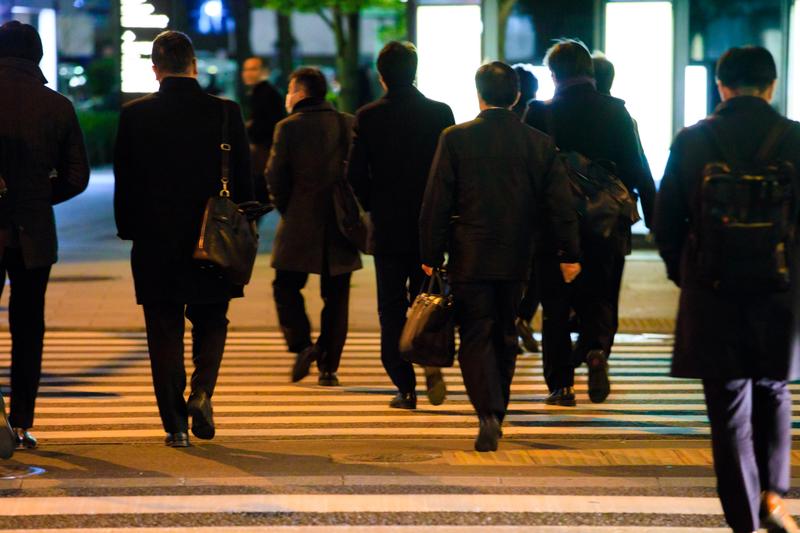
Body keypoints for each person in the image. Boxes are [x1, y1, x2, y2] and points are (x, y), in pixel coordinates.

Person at [656, 46, 800, 533]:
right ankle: (774, 495)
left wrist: (689, 275)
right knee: (774, 389)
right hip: (779, 293)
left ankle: (743, 519)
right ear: (771, 86)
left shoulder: (693, 140)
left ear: (721, 87)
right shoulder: (795, 139)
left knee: (728, 405)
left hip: (713, 292)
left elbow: (665, 221)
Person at [420, 62, 580, 452]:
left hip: (469, 252)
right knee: (505, 331)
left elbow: (437, 198)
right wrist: (569, 252)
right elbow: (560, 203)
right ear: (517, 96)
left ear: (479, 94)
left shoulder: (455, 139)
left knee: (475, 332)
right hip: (517, 254)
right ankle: (499, 409)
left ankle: (486, 413)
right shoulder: (537, 143)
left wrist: (430, 250)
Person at [114, 31, 253, 448]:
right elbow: (246, 185)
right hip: (214, 240)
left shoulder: (135, 115)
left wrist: (129, 229)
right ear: (194, 65)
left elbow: (126, 182)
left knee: (163, 329)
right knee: (212, 320)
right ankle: (203, 392)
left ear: (155, 69)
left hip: (155, 241)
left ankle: (174, 424)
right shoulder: (227, 113)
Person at [525, 39, 656, 406]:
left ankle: (561, 385)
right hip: (606, 224)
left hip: (554, 226)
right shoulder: (616, 113)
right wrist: (656, 221)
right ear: (590, 73)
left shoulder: (539, 113)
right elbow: (639, 171)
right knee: (601, 295)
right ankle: (597, 351)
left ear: (553, 75)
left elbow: (523, 174)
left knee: (554, 304)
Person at [346, 41, 455, 410]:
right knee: (428, 299)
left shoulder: (368, 116)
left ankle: (404, 386)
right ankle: (427, 357)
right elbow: (450, 174)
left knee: (391, 308)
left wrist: (374, 206)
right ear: (415, 71)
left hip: (389, 226)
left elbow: (355, 174)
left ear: (381, 76)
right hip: (430, 227)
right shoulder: (440, 114)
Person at [0, 21, 89, 449]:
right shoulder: (57, 106)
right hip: (34, 232)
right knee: (28, 325)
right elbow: (77, 177)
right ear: (35, 55)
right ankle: (21, 420)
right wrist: (38, 196)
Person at [266, 67, 361, 387]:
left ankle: (303, 345)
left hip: (300, 221)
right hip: (341, 223)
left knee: (285, 286)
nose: (287, 97)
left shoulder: (288, 127)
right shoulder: (347, 124)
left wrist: (288, 209)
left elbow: (275, 177)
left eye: (290, 90)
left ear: (301, 92)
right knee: (336, 296)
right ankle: (328, 366)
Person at [512, 65, 542, 353]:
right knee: (535, 272)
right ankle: (523, 316)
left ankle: (512, 321)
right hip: (534, 213)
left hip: (503, 215)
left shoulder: (496, 124)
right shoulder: (537, 125)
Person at [241, 57, 286, 203]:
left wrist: (249, 128)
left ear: (265, 71)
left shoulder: (265, 94)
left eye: (253, 69)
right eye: (246, 69)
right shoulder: (261, 93)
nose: (248, 73)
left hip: (263, 153)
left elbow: (267, 125)